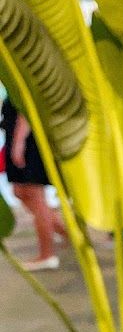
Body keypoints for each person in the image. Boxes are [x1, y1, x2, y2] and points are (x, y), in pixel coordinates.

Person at [0, 95, 66, 270]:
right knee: (20, 192)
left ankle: (47, 255)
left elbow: (28, 107)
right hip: (18, 138)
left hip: (27, 142)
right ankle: (66, 235)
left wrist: (19, 141)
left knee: (35, 197)